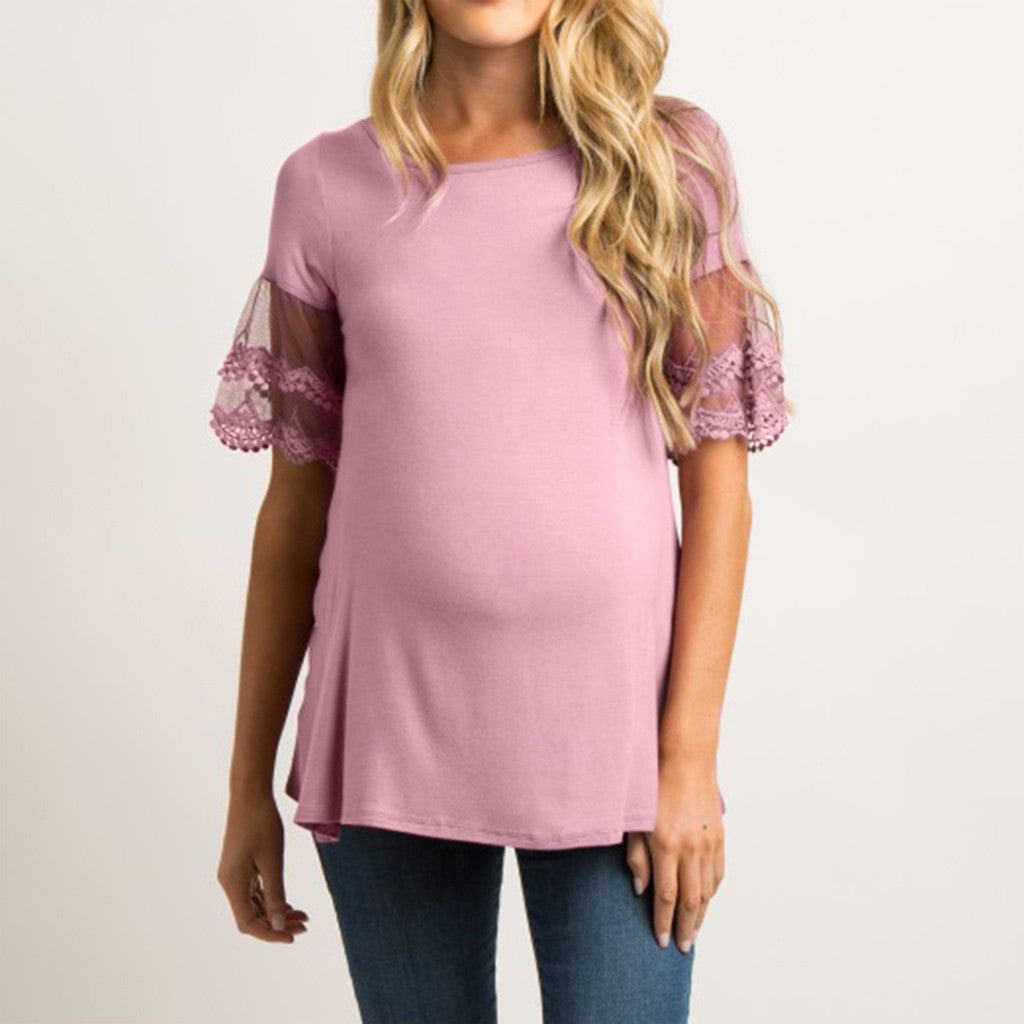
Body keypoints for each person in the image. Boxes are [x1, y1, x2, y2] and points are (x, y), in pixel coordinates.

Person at [211, 1, 791, 1020]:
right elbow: (296, 510)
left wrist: (688, 758)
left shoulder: (670, 163)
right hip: (390, 727)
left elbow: (719, 490)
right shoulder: (326, 185)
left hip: (616, 738)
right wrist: (245, 784)